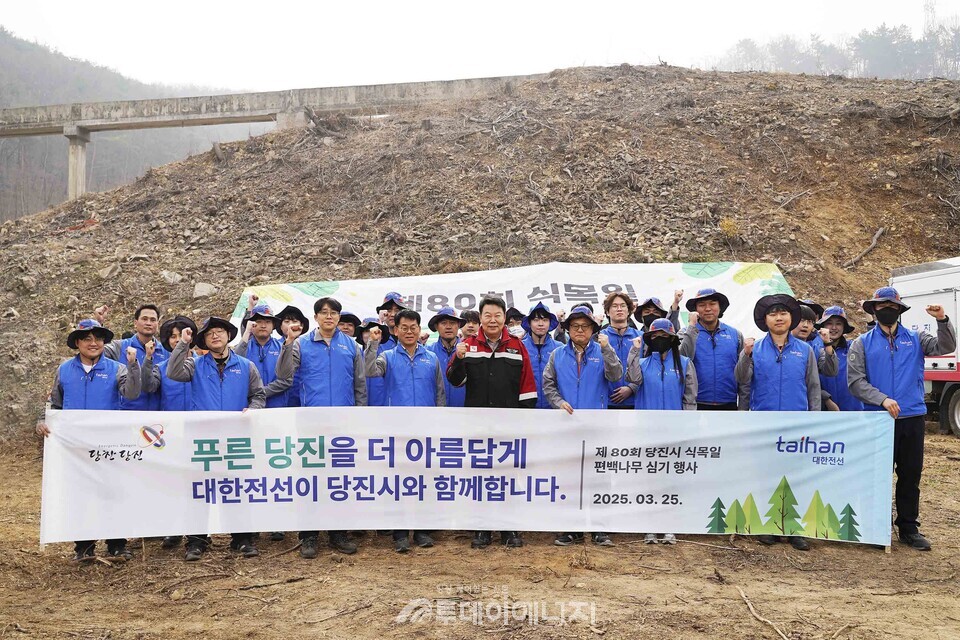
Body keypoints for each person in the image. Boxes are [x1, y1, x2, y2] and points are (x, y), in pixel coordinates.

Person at [848, 287, 956, 551]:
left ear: (899, 310)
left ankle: (908, 528)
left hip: (912, 417)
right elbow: (855, 382)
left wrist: (943, 320)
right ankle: (877, 526)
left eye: (893, 306)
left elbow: (946, 346)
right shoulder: (861, 343)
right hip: (877, 419)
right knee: (877, 475)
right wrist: (881, 399)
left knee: (910, 475)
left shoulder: (916, 338)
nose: (888, 310)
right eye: (882, 306)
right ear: (874, 309)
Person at [36, 319, 142, 561]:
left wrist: (134, 364)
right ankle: (84, 547)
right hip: (75, 448)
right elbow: (55, 404)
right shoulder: (63, 370)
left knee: (113, 492)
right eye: (87, 339)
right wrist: (42, 421)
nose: (93, 343)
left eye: (98, 338)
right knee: (80, 495)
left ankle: (117, 543)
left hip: (109, 445)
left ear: (104, 342)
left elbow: (133, 393)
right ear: (77, 343)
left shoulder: (118, 368)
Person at [166, 317, 266, 560]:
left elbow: (259, 395)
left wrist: (253, 410)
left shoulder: (246, 366)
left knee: (237, 489)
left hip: (236, 440)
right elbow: (173, 372)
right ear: (204, 340)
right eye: (209, 334)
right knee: (200, 490)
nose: (215, 336)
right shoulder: (195, 365)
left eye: (220, 331)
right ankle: (196, 541)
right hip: (203, 440)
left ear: (228, 335)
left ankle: (242, 539)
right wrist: (183, 344)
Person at [275, 297, 366, 557]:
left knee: (340, 481)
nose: (329, 317)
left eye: (333, 313)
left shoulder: (352, 346)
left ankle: (339, 533)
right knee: (311, 481)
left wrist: (360, 418)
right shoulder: (302, 344)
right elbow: (283, 375)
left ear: (339, 317)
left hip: (343, 424)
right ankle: (309, 536)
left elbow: (359, 385)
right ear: (315, 317)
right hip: (311, 424)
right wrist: (288, 342)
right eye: (323, 313)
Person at [446, 295, 538, 548]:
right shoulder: (468, 345)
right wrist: (459, 357)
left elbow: (527, 387)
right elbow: (455, 380)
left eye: (498, 315)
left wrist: (524, 422)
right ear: (480, 318)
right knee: (480, 477)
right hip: (477, 425)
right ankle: (482, 529)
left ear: (505, 318)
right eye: (487, 315)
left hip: (510, 426)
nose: (493, 319)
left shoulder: (517, 347)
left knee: (508, 477)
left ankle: (509, 529)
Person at [735, 295, 820, 551]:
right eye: (773, 314)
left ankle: (795, 529)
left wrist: (814, 422)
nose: (779, 318)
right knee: (766, 475)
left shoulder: (804, 350)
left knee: (797, 476)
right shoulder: (754, 349)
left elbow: (813, 387)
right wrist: (746, 356)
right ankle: (769, 526)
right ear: (765, 320)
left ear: (791, 318)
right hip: (764, 422)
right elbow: (742, 381)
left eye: (783, 313)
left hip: (797, 424)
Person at [364, 309, 446, 552]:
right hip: (397, 431)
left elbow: (439, 393)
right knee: (399, 482)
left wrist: (440, 423)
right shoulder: (387, 357)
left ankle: (422, 531)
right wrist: (372, 344)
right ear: (395, 330)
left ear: (420, 330)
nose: (409, 332)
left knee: (424, 481)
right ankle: (399, 534)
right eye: (404, 328)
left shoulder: (431, 358)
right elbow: (369, 371)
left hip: (425, 430)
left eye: (414, 327)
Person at [542, 306, 622, 547]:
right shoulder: (557, 355)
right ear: (567, 329)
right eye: (575, 326)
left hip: (597, 425)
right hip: (567, 425)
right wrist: (559, 402)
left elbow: (616, 375)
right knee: (568, 477)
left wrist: (607, 349)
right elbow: (548, 385)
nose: (579, 330)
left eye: (585, 326)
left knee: (599, 476)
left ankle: (599, 528)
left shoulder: (603, 351)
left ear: (592, 330)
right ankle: (571, 528)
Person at [626, 318, 697, 544]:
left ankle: (669, 526)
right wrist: (634, 352)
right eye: (654, 337)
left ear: (672, 339)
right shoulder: (643, 363)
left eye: (664, 337)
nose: (659, 341)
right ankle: (648, 526)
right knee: (648, 480)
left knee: (671, 480)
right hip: (647, 432)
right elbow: (632, 379)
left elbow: (690, 398)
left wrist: (686, 426)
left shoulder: (685, 363)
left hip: (674, 432)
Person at [679, 288, 744, 411]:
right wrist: (692, 327)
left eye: (712, 304)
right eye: (702, 305)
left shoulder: (735, 335)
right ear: (695, 310)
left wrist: (743, 406)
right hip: (695, 403)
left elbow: (743, 372)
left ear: (720, 307)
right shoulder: (686, 333)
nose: (707, 309)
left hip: (728, 403)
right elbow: (681, 360)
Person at [99, 304, 165, 410]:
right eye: (144, 319)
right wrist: (98, 324)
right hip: (126, 416)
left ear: (158, 324)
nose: (148, 323)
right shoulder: (120, 347)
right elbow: (95, 351)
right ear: (135, 323)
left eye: (153, 320)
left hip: (156, 417)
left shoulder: (165, 351)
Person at [234, 305, 291, 409]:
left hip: (277, 407)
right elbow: (234, 364)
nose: (263, 325)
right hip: (249, 407)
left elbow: (287, 380)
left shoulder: (282, 348)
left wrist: (261, 393)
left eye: (268, 322)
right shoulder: (244, 346)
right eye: (259, 321)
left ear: (273, 325)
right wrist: (247, 332)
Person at [816, 307, 863, 412]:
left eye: (838, 324)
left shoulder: (853, 347)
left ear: (844, 327)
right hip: (823, 411)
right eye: (829, 323)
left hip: (852, 410)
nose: (833, 328)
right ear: (822, 326)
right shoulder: (814, 349)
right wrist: (825, 398)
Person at [600, 292, 642, 409]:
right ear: (607, 312)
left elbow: (648, 368)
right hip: (607, 402)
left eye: (623, 306)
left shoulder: (641, 337)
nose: (619, 309)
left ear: (629, 311)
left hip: (635, 402)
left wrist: (631, 388)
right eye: (614, 306)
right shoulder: (599, 338)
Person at [521, 303, 563, 409]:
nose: (541, 324)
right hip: (527, 408)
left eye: (545, 320)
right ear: (529, 323)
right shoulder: (520, 347)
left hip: (554, 407)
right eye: (536, 320)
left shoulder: (560, 348)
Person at [427, 307, 467, 408]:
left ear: (458, 325)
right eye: (444, 323)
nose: (448, 327)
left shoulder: (468, 350)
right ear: (436, 326)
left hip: (465, 413)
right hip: (436, 414)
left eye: (452, 323)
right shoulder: (428, 352)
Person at [275, 305, 310, 407]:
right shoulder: (273, 346)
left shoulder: (308, 346)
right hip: (276, 401)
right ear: (280, 326)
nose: (290, 325)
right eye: (286, 322)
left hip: (304, 401)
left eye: (294, 321)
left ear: (301, 325)